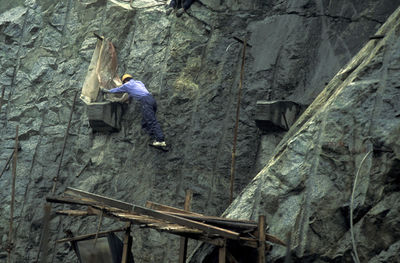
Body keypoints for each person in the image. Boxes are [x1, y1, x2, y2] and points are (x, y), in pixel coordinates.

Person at [101, 74, 167, 148]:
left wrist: (106, 91)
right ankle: (155, 138)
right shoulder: (139, 82)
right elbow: (133, 92)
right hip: (151, 100)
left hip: (145, 101)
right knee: (145, 123)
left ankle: (160, 140)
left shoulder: (127, 85)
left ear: (125, 81)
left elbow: (117, 90)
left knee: (152, 121)